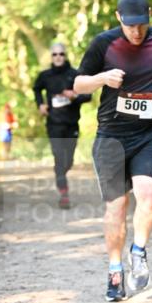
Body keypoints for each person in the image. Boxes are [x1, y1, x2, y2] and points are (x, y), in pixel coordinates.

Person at [73, 0, 152, 302]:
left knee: (148, 195)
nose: (136, 32)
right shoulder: (104, 43)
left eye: (142, 25)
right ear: (119, 18)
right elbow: (78, 85)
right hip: (112, 136)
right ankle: (115, 268)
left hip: (150, 133)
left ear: (149, 14)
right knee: (116, 207)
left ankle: (139, 251)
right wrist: (102, 78)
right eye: (130, 26)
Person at [33, 42, 91, 208]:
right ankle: (64, 194)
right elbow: (36, 89)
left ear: (65, 56)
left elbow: (88, 96)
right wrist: (41, 104)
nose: (58, 57)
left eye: (61, 54)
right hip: (54, 124)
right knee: (59, 158)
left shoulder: (75, 74)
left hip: (72, 124)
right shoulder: (45, 76)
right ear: (51, 57)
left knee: (68, 161)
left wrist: (74, 97)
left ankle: (61, 174)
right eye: (55, 54)